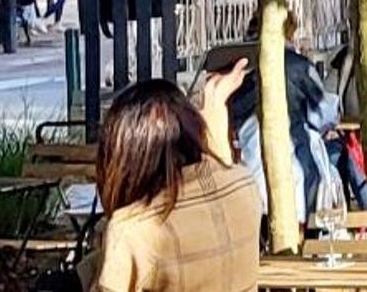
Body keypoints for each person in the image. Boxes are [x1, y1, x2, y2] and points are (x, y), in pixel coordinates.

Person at [85, 59, 259, 292]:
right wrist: (215, 106)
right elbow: (216, 169)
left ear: (124, 155)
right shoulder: (244, 185)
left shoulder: (132, 230)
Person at [227, 12, 344, 222]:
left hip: (248, 167)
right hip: (296, 166)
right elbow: (323, 113)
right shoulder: (299, 66)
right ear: (289, 32)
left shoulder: (237, 68)